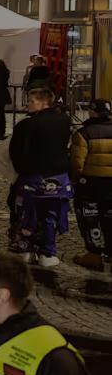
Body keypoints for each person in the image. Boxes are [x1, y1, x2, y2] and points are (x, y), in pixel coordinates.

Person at [9, 88, 74, 267]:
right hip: (58, 177)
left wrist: (20, 169)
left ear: (43, 102)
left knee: (26, 213)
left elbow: (16, 151)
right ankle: (48, 251)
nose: (28, 105)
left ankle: (26, 248)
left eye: (31, 101)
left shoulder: (27, 124)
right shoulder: (64, 120)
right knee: (51, 215)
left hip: (32, 176)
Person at [71, 99, 112, 271]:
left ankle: (94, 254)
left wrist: (75, 180)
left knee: (90, 219)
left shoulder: (83, 133)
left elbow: (77, 164)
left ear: (92, 112)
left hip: (90, 185)